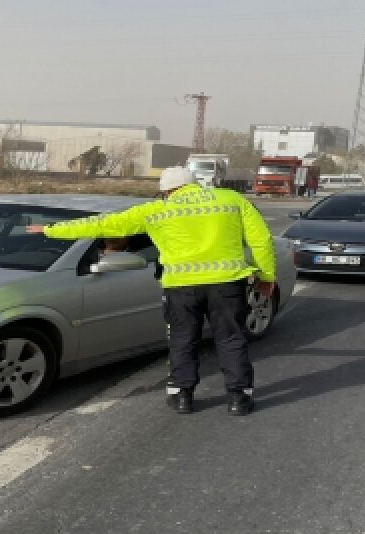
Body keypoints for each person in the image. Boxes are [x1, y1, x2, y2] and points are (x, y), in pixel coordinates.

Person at [27, 166, 276, 415]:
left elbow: (105, 225)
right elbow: (260, 240)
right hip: (227, 284)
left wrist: (51, 230)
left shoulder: (156, 210)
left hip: (180, 287)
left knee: (183, 340)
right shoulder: (231, 199)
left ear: (166, 191)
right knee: (231, 339)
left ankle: (183, 396)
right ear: (194, 184)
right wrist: (266, 275)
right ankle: (238, 398)